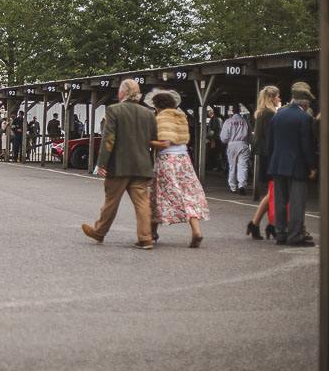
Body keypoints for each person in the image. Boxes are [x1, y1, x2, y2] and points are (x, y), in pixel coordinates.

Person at [81, 79, 157, 250]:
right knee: (142, 202)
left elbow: (109, 139)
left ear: (122, 93)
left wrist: (101, 162)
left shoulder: (114, 110)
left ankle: (99, 232)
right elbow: (154, 139)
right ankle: (146, 238)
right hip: (142, 165)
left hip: (119, 165)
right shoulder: (149, 114)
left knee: (111, 201)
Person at [145, 89, 209, 248]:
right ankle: (196, 230)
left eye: (155, 106)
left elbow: (164, 143)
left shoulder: (162, 118)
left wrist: (147, 141)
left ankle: (152, 231)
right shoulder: (181, 117)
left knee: (158, 194)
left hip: (167, 160)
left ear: (159, 105)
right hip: (184, 159)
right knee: (188, 194)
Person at [267, 82, 318, 247]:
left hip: (277, 164)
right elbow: (306, 146)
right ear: (306, 104)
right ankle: (295, 236)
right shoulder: (305, 118)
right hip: (297, 166)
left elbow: (270, 143)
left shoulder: (277, 115)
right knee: (296, 204)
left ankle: (281, 235)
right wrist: (312, 166)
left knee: (280, 202)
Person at [248, 85, 280, 240]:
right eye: (278, 96)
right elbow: (271, 138)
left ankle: (257, 224)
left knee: (271, 193)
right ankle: (270, 224)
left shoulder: (261, 113)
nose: (280, 99)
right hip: (270, 155)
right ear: (272, 98)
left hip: (263, 155)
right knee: (274, 192)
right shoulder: (270, 114)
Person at [220, 105, 250, 195]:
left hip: (232, 144)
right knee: (243, 165)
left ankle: (233, 186)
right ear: (240, 111)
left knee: (232, 166)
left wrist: (227, 141)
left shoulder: (228, 122)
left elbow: (224, 138)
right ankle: (242, 185)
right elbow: (250, 135)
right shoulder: (245, 121)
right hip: (243, 144)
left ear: (232, 111)